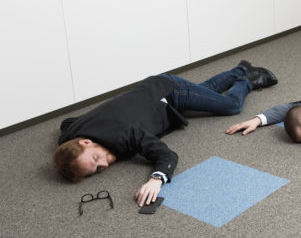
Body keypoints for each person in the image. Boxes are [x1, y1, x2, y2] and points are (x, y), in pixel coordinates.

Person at [54, 61, 277, 206]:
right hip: (151, 89)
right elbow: (67, 122)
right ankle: (241, 68)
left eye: (95, 158)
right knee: (207, 91)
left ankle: (247, 80)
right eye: (96, 170)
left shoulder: (124, 135)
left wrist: (156, 179)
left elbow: (166, 155)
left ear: (85, 142)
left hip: (171, 93)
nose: (103, 164)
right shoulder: (69, 135)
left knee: (230, 106)